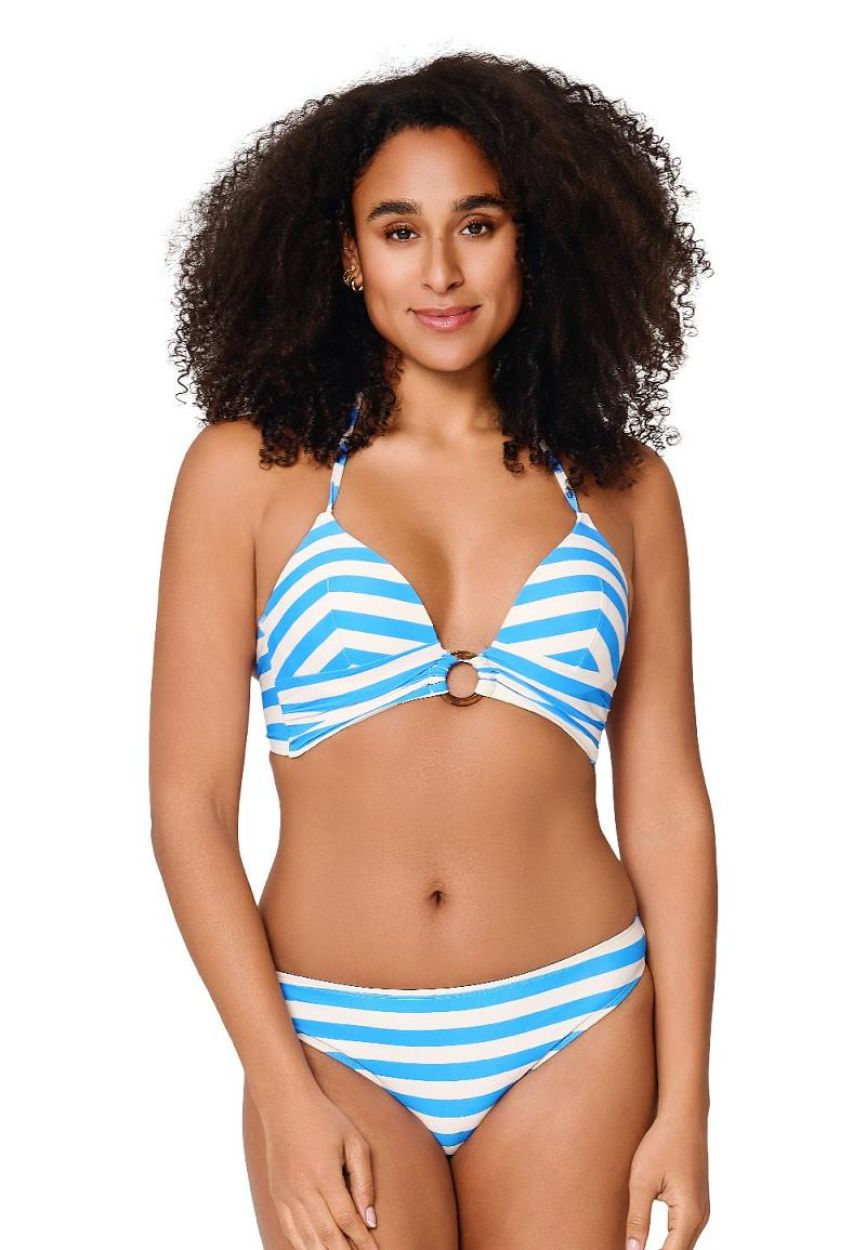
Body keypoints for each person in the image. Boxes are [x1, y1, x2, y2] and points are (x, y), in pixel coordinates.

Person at [150, 50, 717, 1250]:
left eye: (478, 224)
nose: (442, 270)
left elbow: (666, 800)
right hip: (329, 1037)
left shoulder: (623, 489)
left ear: (532, 243)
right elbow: (187, 806)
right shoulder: (246, 474)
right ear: (347, 256)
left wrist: (687, 1100)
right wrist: (278, 1086)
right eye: (399, 230)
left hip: (578, 1019)